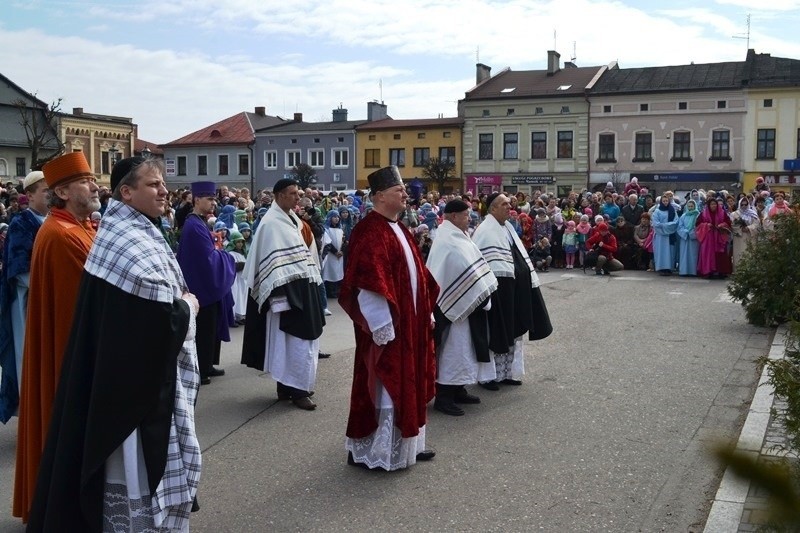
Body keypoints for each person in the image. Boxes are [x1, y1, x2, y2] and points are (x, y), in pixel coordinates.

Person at [26, 156, 201, 531]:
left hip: (118, 361)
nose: (164, 190)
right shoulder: (69, 234)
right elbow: (145, 321)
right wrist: (186, 308)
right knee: (129, 475)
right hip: (126, 381)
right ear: (127, 192)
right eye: (154, 184)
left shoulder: (118, 229)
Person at [13, 152, 99, 523]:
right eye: (85, 181)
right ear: (61, 191)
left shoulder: (78, 228)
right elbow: (80, 311)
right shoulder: (62, 236)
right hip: (68, 355)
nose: (94, 185)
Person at [338, 166, 438, 470]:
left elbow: (417, 275)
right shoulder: (370, 232)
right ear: (380, 196)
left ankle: (408, 444)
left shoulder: (398, 227)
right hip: (390, 326)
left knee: (410, 382)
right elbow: (369, 284)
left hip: (411, 323)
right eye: (399, 190)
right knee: (386, 385)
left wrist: (427, 311)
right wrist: (381, 327)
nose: (406, 194)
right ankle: (378, 451)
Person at [241, 178, 325, 410]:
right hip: (286, 294)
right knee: (293, 341)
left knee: (295, 341)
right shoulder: (271, 223)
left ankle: (288, 387)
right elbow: (270, 265)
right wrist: (280, 299)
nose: (298, 197)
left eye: (298, 193)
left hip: (301, 288)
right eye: (293, 193)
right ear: (279, 196)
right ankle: (298, 391)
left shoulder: (292, 219)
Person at [472, 193, 552, 390]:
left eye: (510, 203)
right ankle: (488, 377)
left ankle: (508, 373)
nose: (509, 207)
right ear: (492, 208)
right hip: (497, 292)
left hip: (514, 290)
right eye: (504, 204)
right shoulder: (485, 230)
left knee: (513, 332)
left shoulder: (508, 227)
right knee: (496, 332)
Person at [426, 199, 498, 416]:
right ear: (454, 216)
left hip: (467, 308)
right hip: (453, 309)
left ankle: (458, 389)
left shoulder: (458, 235)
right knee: (453, 351)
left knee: (465, 350)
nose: (470, 218)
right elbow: (452, 269)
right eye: (466, 215)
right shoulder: (447, 240)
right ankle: (444, 396)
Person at [0, 170, 48, 423]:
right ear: (29, 196)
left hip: (45, 299)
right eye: (45, 191)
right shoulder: (22, 223)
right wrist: (48, 283)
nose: (50, 195)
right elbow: (18, 270)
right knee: (27, 356)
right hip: (27, 302)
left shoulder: (52, 219)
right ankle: (32, 413)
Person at [176, 181, 235, 385]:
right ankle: (201, 369)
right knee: (204, 330)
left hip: (205, 286)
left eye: (214, 199)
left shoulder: (199, 222)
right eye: (209, 199)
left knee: (210, 329)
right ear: (196, 199)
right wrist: (227, 258)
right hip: (201, 287)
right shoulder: (194, 226)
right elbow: (207, 259)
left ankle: (208, 364)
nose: (213, 203)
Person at [696, 198, 732, 279]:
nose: (714, 206)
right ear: (708, 205)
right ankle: (708, 271)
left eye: (715, 204)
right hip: (708, 237)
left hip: (719, 236)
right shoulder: (703, 214)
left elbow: (728, 222)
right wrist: (706, 225)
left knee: (721, 254)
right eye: (712, 204)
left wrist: (722, 225)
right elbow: (698, 224)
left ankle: (721, 272)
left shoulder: (722, 213)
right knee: (708, 254)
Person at [651, 195, 679, 276]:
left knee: (670, 252)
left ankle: (669, 268)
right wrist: (665, 227)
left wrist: (664, 226)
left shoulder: (672, 210)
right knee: (661, 252)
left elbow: (675, 222)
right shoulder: (657, 211)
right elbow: (656, 223)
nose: (665, 202)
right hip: (660, 236)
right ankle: (661, 268)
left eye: (667, 201)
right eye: (664, 201)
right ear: (661, 202)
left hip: (670, 236)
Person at [226, 230, 248, 325]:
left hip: (243, 280)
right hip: (235, 280)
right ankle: (233, 317)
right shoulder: (231, 254)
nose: (240, 244)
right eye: (238, 242)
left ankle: (241, 316)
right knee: (235, 297)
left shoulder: (243, 254)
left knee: (242, 298)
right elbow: (232, 267)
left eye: (241, 242)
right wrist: (242, 265)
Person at [321, 210, 345, 298]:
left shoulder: (340, 229)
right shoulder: (326, 229)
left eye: (338, 217)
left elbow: (343, 241)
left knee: (338, 273)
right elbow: (328, 242)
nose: (336, 219)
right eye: (334, 217)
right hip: (331, 255)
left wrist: (342, 250)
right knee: (330, 272)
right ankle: (330, 292)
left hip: (339, 255)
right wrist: (335, 252)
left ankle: (337, 291)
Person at [677, 199, 700, 276]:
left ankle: (693, 271)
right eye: (689, 206)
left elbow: (699, 227)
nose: (690, 207)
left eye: (692, 206)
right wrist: (685, 232)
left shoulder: (698, 215)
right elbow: (679, 226)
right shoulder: (683, 216)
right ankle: (684, 271)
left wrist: (692, 233)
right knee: (684, 255)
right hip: (685, 238)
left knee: (693, 255)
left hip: (693, 239)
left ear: (695, 206)